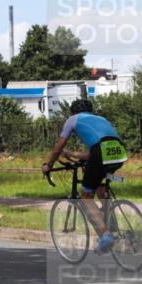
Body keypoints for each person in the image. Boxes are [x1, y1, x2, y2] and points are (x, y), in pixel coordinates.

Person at [42, 98, 128, 253]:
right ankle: (111, 222)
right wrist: (73, 154)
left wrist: (49, 165)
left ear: (73, 112)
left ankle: (105, 235)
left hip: (100, 153)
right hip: (119, 152)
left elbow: (58, 147)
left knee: (86, 196)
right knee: (100, 186)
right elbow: (94, 151)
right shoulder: (101, 119)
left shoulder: (73, 119)